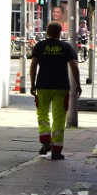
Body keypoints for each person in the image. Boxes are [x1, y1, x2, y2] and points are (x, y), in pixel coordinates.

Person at [29, 22, 81, 160]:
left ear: (47, 31)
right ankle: (56, 151)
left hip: (43, 86)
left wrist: (32, 84)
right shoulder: (65, 47)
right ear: (60, 33)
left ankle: (46, 141)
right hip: (61, 87)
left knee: (42, 114)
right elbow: (74, 67)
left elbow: (33, 66)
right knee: (59, 118)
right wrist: (78, 84)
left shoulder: (40, 46)